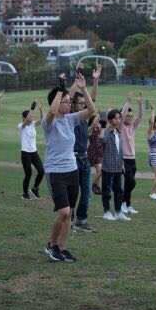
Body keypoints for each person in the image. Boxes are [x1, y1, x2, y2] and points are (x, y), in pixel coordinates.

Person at [41, 73, 95, 263]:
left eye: (69, 101)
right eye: (65, 101)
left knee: (69, 214)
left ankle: (62, 248)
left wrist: (83, 88)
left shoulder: (71, 119)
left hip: (72, 170)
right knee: (63, 212)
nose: (69, 103)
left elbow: (91, 109)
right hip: (55, 172)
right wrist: (61, 87)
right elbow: (52, 110)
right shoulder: (48, 123)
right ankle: (51, 245)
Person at [71, 66, 101, 233]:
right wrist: (76, 83)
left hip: (84, 159)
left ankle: (81, 221)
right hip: (72, 159)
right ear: (74, 105)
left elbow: (93, 100)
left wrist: (95, 80)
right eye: (80, 103)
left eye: (85, 104)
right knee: (73, 193)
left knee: (87, 193)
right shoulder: (71, 118)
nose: (84, 106)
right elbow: (69, 96)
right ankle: (70, 220)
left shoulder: (84, 118)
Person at [119, 92, 144, 216]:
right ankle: (123, 202)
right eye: (128, 116)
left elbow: (140, 117)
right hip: (123, 159)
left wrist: (140, 104)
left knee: (130, 182)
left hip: (132, 158)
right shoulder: (121, 127)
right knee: (130, 182)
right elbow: (121, 115)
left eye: (131, 116)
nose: (129, 117)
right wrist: (128, 101)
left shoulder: (132, 127)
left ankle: (127, 204)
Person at [101, 109, 127, 220]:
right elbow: (102, 140)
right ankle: (106, 211)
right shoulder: (106, 132)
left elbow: (120, 150)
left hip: (117, 166)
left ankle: (118, 211)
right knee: (106, 191)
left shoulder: (118, 133)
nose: (118, 120)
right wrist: (107, 127)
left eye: (119, 118)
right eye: (116, 118)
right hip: (108, 166)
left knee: (118, 190)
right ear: (110, 120)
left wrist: (122, 164)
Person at [20, 100, 44, 200]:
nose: (32, 117)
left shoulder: (33, 124)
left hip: (34, 152)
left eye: (32, 115)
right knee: (28, 173)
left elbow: (42, 119)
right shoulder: (21, 126)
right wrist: (31, 109)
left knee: (41, 171)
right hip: (25, 153)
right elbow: (25, 122)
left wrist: (41, 110)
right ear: (25, 118)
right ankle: (25, 194)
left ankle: (35, 189)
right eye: (30, 116)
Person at [87, 115, 106, 194]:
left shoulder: (99, 128)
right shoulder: (89, 128)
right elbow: (88, 133)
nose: (97, 121)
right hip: (92, 151)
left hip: (99, 151)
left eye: (98, 119)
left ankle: (96, 187)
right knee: (100, 170)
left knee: (100, 170)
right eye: (96, 119)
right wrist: (93, 125)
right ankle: (94, 185)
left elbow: (102, 137)